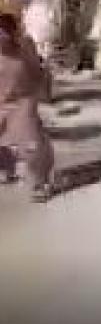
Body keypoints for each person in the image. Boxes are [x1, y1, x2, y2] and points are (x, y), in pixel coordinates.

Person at [0, 12, 54, 202]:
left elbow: (38, 72)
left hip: (23, 100)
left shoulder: (25, 46)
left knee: (30, 142)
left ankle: (40, 182)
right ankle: (6, 169)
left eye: (4, 32)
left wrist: (45, 92)